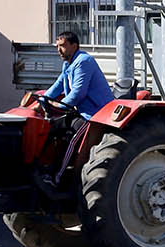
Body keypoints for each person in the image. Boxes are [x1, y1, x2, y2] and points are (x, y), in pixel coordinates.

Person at [22, 31, 115, 187]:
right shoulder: (68, 64)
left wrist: (58, 105)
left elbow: (78, 93)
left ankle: (58, 179)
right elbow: (57, 86)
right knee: (52, 130)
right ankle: (43, 169)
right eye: (57, 46)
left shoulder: (84, 61)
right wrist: (41, 102)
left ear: (74, 45)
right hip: (79, 111)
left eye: (63, 46)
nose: (59, 50)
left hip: (93, 114)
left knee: (72, 140)